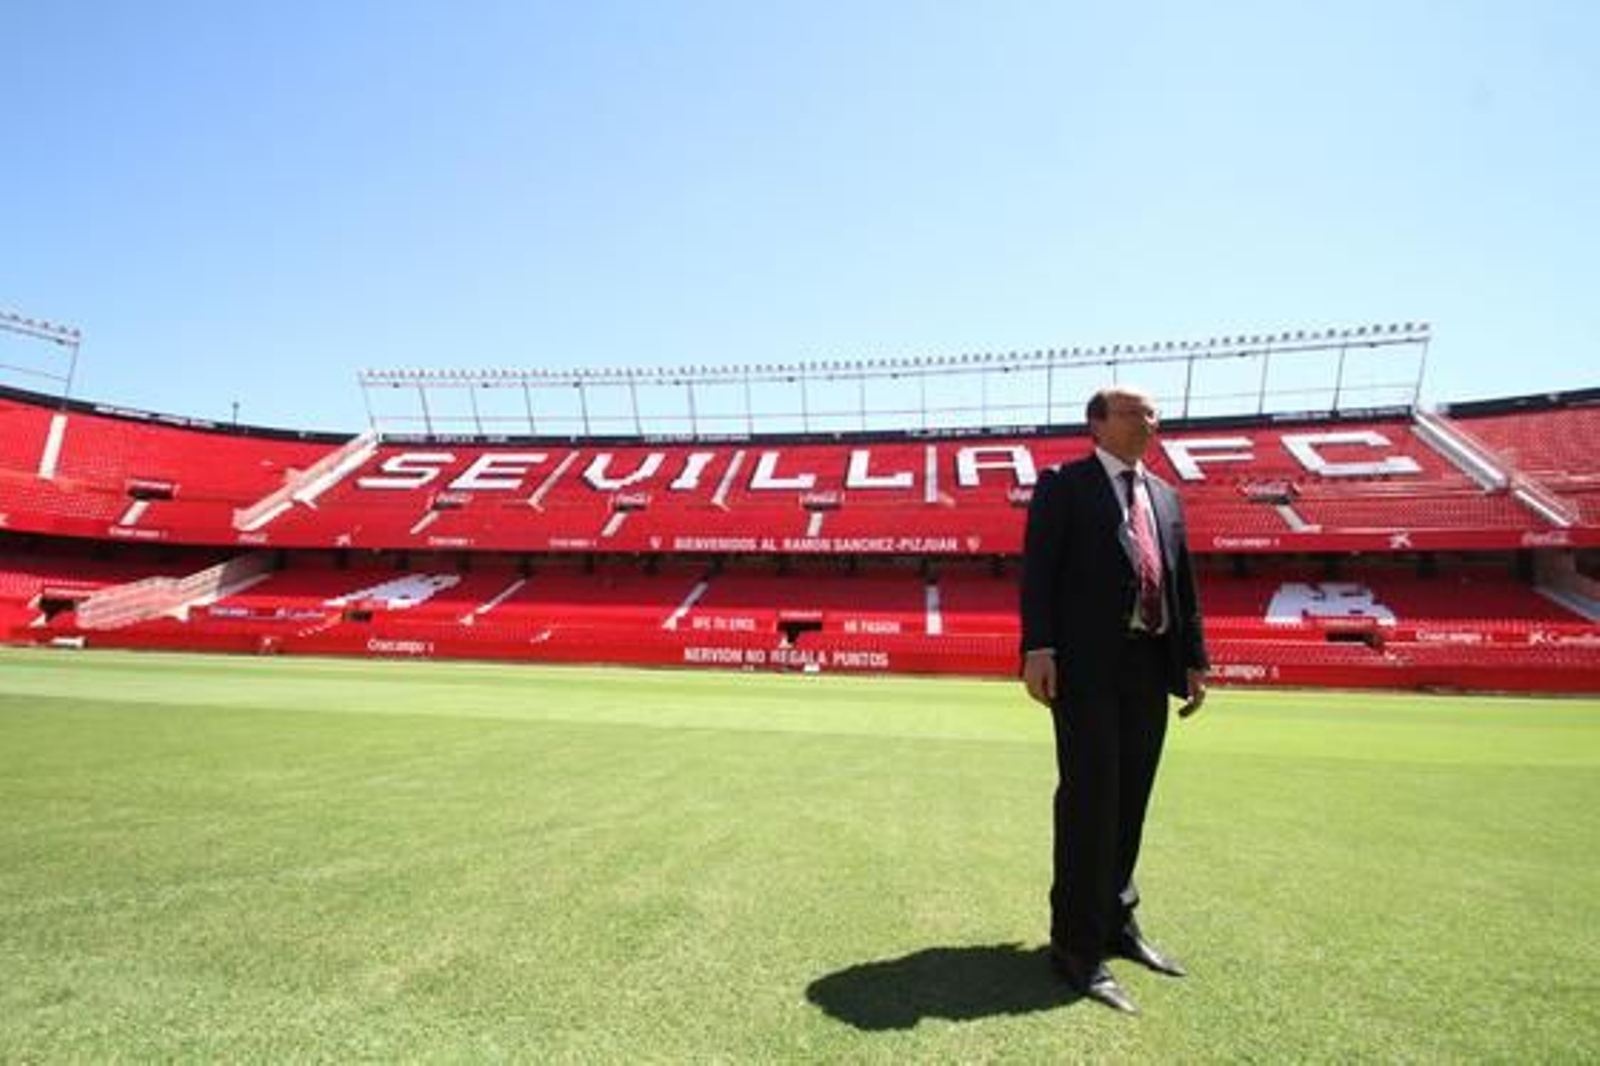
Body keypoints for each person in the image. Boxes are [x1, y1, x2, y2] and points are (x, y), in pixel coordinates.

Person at [1019, 384, 1209, 1015]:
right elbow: (1039, 570)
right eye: (1133, 412)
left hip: (1149, 666)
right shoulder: (1063, 485)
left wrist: (1193, 661)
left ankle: (1115, 925)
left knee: (1131, 799)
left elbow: (1181, 583)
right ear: (1096, 424)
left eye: (1153, 413)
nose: (1149, 421)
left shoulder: (1165, 495)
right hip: (1086, 669)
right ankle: (1074, 945)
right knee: (1089, 801)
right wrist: (1039, 647)